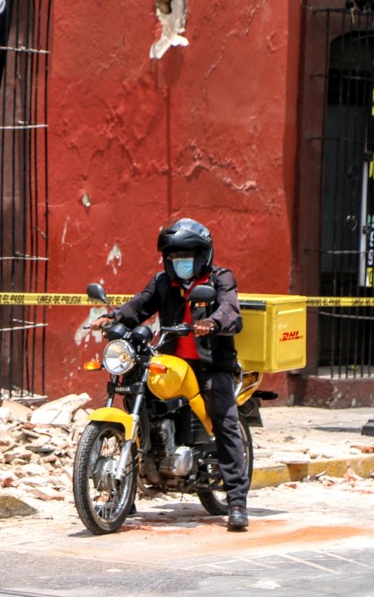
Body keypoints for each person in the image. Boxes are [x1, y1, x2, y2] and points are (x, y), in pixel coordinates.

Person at [91, 217, 250, 531]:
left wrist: (214, 323)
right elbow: (140, 305)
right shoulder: (164, 282)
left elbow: (230, 310)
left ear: (201, 256)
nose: (181, 264)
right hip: (169, 360)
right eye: (175, 258)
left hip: (210, 364)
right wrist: (111, 317)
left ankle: (236, 502)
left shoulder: (220, 279)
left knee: (225, 421)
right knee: (138, 398)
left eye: (186, 258)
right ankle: (128, 487)